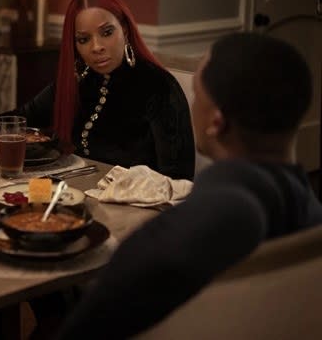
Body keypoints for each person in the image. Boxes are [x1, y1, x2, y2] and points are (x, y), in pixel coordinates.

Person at [57, 32, 322, 339]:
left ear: (216, 123)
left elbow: (88, 326)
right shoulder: (309, 214)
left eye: (197, 95)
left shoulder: (188, 230)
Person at [0, 0, 195, 180]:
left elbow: (178, 180)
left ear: (125, 31)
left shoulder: (158, 87)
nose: (96, 47)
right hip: (69, 198)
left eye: (107, 32)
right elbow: (24, 117)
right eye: (83, 39)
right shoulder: (80, 80)